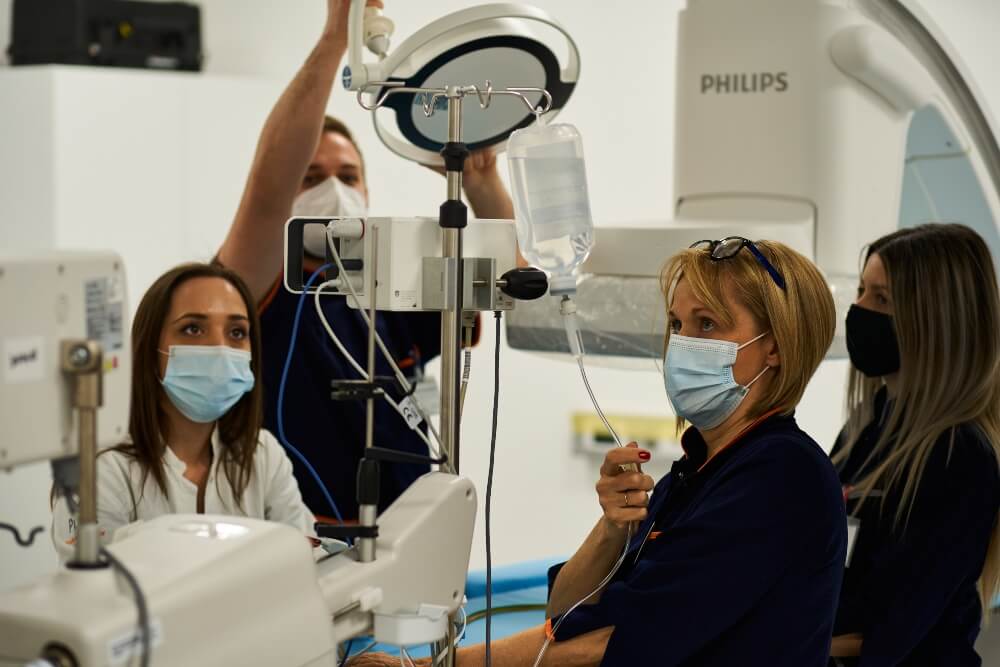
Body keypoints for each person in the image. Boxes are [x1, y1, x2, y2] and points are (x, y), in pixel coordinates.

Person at [351, 237, 846, 666]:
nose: (683, 344)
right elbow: (563, 610)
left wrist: (434, 666)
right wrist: (613, 527)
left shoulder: (782, 475)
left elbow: (618, 641)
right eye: (677, 324)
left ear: (776, 345)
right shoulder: (699, 470)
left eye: (709, 325)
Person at [215, 0, 515, 521]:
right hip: (312, 542)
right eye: (310, 178)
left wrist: (482, 181)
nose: (334, 189)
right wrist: (337, 38)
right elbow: (267, 190)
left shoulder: (392, 278)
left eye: (348, 176)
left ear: (367, 191)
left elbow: (508, 275)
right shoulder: (263, 286)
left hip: (413, 528)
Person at [52, 263, 314, 561]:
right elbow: (99, 590)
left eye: (237, 332)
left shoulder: (261, 453)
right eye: (193, 328)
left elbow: (303, 560)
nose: (219, 348)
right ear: (150, 350)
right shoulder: (103, 467)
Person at [829, 223, 1000, 665]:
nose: (858, 309)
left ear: (937, 318)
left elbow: (898, 628)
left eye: (881, 298)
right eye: (862, 290)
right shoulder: (867, 427)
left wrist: (782, 645)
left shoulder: (958, 457)